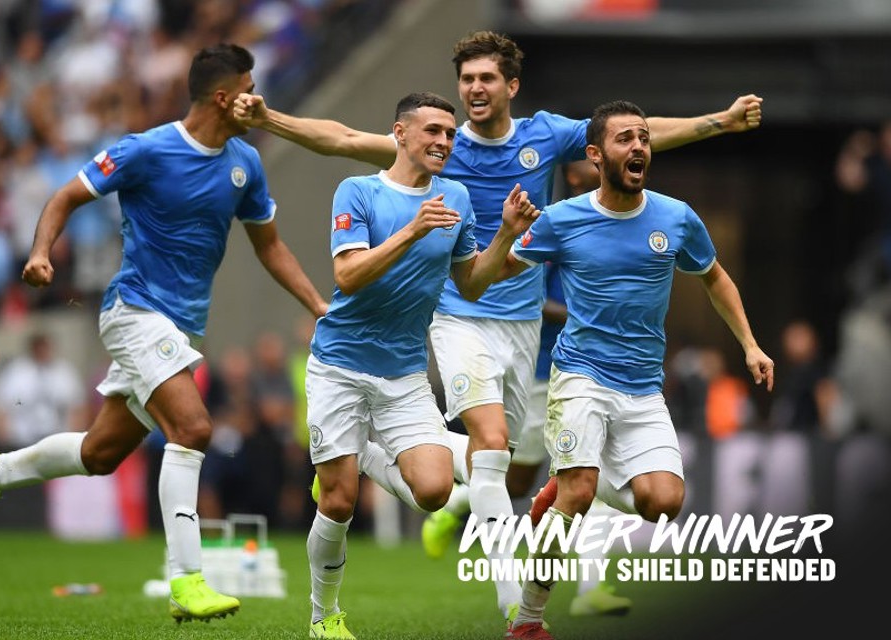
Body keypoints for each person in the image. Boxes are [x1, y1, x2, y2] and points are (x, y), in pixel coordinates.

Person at [234, 30, 764, 625]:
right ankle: (516, 606)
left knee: (510, 464)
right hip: (458, 316)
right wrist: (270, 118)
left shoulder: (547, 134)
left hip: (520, 320)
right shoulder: (439, 145)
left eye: (487, 79)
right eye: (466, 80)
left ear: (511, 86)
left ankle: (427, 485)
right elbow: (344, 139)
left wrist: (718, 122)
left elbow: (635, 134)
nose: (474, 90)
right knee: (488, 447)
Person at [0, 44, 328, 624]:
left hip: (179, 328)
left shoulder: (245, 164)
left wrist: (318, 304)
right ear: (225, 97)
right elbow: (67, 195)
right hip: (133, 310)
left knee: (99, 453)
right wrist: (40, 253)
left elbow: (270, 246)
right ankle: (186, 580)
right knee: (195, 427)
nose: (259, 99)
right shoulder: (147, 150)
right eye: (251, 88)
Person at [502, 100, 774, 640]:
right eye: (626, 138)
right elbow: (500, 270)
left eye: (645, 138)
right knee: (578, 491)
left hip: (643, 388)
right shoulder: (563, 219)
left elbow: (715, 279)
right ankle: (529, 620)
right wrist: (505, 234)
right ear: (596, 155)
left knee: (663, 503)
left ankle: (569, 485)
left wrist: (749, 344)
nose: (640, 147)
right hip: (579, 374)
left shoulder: (675, 218)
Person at [304, 91, 538, 640]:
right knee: (337, 502)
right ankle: (324, 615)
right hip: (339, 364)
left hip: (405, 371)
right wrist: (412, 230)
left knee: (433, 490)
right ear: (400, 134)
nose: (443, 142)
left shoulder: (455, 197)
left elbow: (470, 284)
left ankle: (361, 453)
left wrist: (505, 232)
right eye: (432, 130)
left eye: (450, 134)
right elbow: (347, 277)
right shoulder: (358, 190)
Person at [424, 160, 633, 617]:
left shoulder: (621, 222)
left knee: (587, 471)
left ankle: (590, 589)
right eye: (589, 160)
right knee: (517, 475)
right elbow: (532, 290)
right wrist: (589, 314)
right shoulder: (560, 222)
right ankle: (457, 500)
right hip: (543, 364)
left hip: (595, 370)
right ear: (578, 174)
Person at [0, 330, 87, 449]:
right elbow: (1, 409)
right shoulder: (14, 373)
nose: (42, 351)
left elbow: (78, 409)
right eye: (38, 347)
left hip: (58, 441)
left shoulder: (65, 372)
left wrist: (76, 441)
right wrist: (4, 445)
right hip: (22, 442)